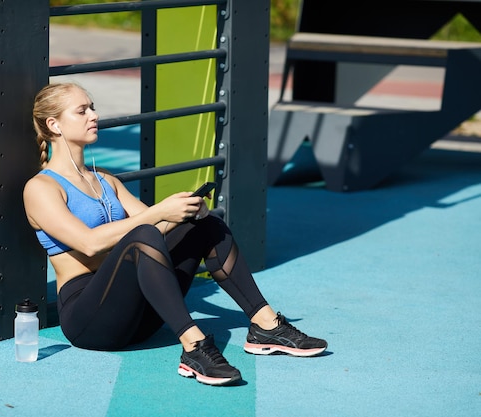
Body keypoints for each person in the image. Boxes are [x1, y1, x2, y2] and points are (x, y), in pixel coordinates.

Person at [23, 82, 327, 386]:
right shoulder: (42, 188)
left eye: (92, 107)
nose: (94, 115)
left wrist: (183, 213)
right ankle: (195, 347)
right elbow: (89, 244)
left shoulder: (106, 180)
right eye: (82, 110)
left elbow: (157, 228)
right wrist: (159, 212)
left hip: (139, 317)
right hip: (90, 321)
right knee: (143, 235)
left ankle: (266, 326)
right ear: (54, 124)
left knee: (206, 227)